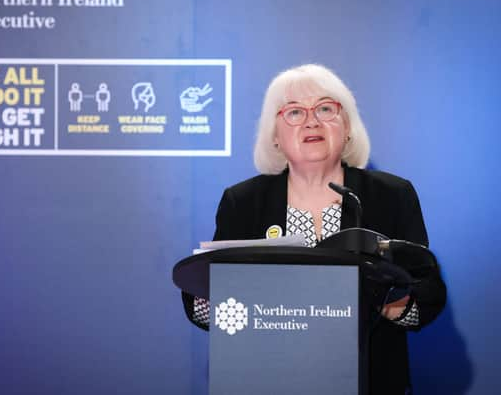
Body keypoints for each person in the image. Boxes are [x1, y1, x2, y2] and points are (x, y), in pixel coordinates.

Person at [181, 64, 446, 395]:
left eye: (325, 108)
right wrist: (216, 295)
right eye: (293, 112)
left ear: (348, 127)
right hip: (267, 379)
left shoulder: (391, 195)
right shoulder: (244, 201)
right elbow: (206, 306)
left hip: (371, 379)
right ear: (274, 136)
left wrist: (384, 302)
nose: (311, 121)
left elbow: (428, 295)